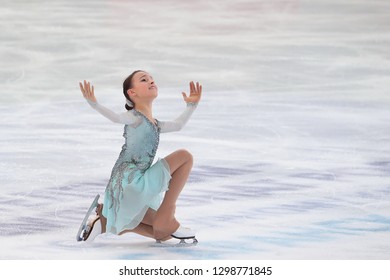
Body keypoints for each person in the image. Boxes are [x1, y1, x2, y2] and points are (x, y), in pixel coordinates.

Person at [79, 70, 202, 242]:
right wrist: (95, 104)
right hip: (130, 182)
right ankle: (167, 216)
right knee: (185, 157)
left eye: (152, 79)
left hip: (126, 189)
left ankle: (104, 222)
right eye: (144, 80)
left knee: (163, 235)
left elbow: (179, 125)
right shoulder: (134, 118)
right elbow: (115, 117)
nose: (151, 81)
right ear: (132, 92)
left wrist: (191, 106)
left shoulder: (155, 124)